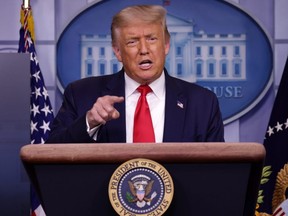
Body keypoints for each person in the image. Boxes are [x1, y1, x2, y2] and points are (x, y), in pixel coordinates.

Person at [46, 5, 224, 144]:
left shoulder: (203, 102)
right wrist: (90, 122)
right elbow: (51, 154)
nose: (144, 50)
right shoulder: (81, 94)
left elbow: (218, 170)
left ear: (166, 45)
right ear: (117, 51)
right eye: (132, 42)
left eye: (152, 39)